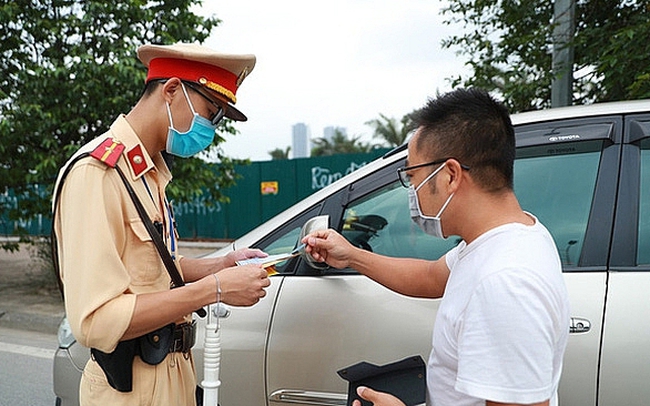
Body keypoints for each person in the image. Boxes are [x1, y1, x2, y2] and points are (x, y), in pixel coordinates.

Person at [303, 88, 570, 406]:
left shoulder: (504, 282)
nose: (412, 191)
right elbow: (430, 277)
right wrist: (351, 256)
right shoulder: (510, 237)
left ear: (451, 175)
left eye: (412, 176)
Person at [52, 43, 271, 405]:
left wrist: (218, 266)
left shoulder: (148, 172)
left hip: (171, 376)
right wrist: (214, 289)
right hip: (132, 388)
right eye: (210, 113)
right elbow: (96, 319)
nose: (210, 129)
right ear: (171, 91)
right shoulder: (98, 173)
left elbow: (150, 272)